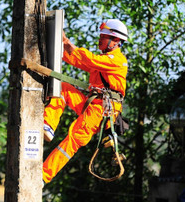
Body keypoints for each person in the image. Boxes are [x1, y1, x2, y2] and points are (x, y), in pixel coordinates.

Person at [42, 19, 129, 184]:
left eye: (104, 36)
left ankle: (43, 175)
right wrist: (59, 46)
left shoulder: (117, 61)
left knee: (74, 139)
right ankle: (49, 125)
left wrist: (66, 42)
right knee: (61, 87)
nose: (100, 39)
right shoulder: (104, 61)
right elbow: (79, 60)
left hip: (102, 110)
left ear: (116, 40)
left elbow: (89, 60)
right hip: (93, 105)